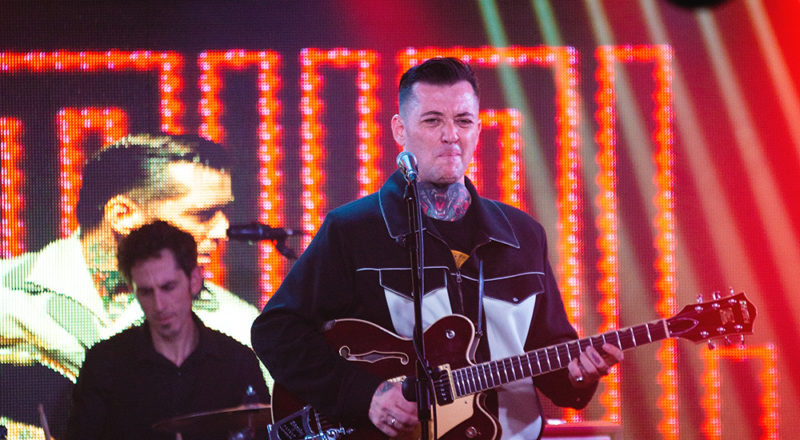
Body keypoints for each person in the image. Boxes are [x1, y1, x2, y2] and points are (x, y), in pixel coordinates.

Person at [252, 57, 623, 440]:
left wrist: (580, 375)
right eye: (433, 121)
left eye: (463, 121)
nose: (451, 135)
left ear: (477, 128)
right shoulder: (353, 230)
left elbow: (555, 370)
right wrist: (365, 395)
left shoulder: (523, 235)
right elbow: (275, 332)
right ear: (400, 129)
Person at [0, 133, 260, 438]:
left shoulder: (238, 324)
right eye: (202, 214)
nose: (223, 229)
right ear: (122, 215)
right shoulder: (7, 295)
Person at [64, 220, 269, 440]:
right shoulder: (105, 363)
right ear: (132, 289)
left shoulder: (237, 362)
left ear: (194, 280)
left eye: (168, 287)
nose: (159, 305)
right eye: (146, 292)